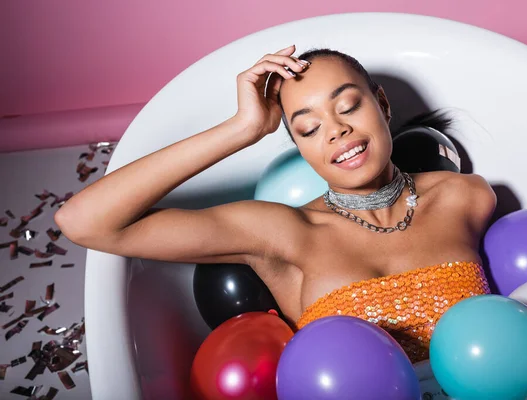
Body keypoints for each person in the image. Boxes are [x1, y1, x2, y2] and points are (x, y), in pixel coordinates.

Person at [55, 44, 496, 364]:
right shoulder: (283, 233)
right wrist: (242, 128)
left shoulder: (465, 197)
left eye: (348, 106)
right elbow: (85, 221)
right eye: (307, 128)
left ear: (381, 104)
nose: (336, 131)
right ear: (300, 147)